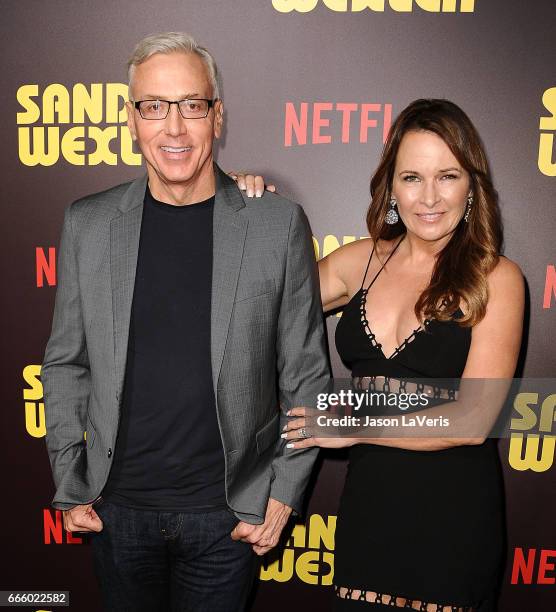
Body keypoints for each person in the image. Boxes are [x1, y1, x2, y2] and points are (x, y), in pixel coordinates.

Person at [41, 32, 329, 612]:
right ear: (131, 119)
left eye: (192, 105)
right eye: (154, 106)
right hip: (116, 513)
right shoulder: (88, 224)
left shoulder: (274, 224)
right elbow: (67, 362)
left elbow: (305, 375)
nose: (173, 128)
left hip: (227, 518)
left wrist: (282, 496)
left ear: (216, 117)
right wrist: (70, 481)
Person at [236, 99, 524, 611]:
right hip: (369, 513)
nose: (429, 197)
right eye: (412, 177)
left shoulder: (497, 278)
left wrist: (353, 424)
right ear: (391, 186)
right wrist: (243, 210)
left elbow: (474, 419)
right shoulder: (359, 262)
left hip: (453, 522)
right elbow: (260, 301)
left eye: (448, 176)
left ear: (472, 186)